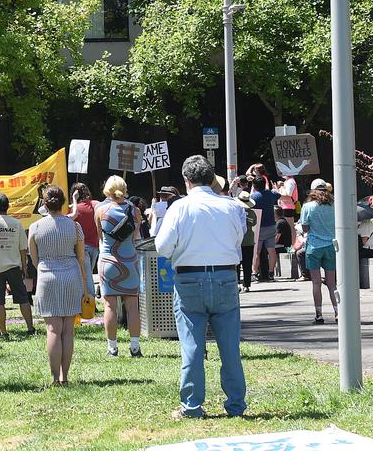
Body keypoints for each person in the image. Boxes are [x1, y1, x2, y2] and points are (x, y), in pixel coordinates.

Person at [155, 155, 248, 420]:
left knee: (192, 345)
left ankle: (192, 405)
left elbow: (162, 247)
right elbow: (238, 238)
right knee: (230, 346)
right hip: (225, 277)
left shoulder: (179, 208)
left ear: (186, 181)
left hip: (189, 279)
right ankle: (236, 404)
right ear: (212, 178)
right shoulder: (232, 206)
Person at [28, 185, 89, 385]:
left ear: (44, 204)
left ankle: (55, 378)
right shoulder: (74, 226)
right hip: (71, 276)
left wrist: (46, 267)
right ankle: (65, 376)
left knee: (53, 330)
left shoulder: (36, 227)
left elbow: (34, 259)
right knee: (67, 330)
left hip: (47, 277)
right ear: (64, 202)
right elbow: (81, 258)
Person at [97, 175, 143, 357]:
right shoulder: (135, 211)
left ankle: (112, 347)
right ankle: (135, 347)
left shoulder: (100, 210)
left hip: (108, 260)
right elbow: (134, 238)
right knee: (132, 306)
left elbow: (100, 237)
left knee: (110, 306)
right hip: (130, 261)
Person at [0, 193, 35, 339]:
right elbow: (23, 248)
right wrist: (25, 266)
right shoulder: (16, 223)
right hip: (14, 266)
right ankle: (30, 328)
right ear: (8, 206)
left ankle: (3, 332)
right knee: (23, 298)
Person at [298, 180, 338, 324]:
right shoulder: (334, 206)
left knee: (316, 283)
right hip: (331, 246)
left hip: (314, 246)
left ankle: (319, 314)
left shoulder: (308, 206)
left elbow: (305, 228)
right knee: (332, 283)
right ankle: (337, 312)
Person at [69, 183, 101, 297]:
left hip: (81, 247)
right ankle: (89, 298)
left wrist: (73, 200)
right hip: (95, 246)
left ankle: (90, 300)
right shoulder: (95, 205)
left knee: (86, 275)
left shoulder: (72, 209)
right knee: (89, 274)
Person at [249, 177, 279, 282]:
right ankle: (271, 273)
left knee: (256, 251)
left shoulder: (253, 197)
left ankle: (255, 272)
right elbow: (277, 194)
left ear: (254, 186)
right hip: (271, 225)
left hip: (258, 227)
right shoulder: (271, 194)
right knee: (271, 251)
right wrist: (273, 188)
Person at [235, 192, 257, 292]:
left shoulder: (235, 211)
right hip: (249, 240)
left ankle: (237, 283)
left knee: (237, 263)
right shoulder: (252, 213)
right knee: (247, 264)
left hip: (238, 241)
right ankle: (247, 285)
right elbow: (254, 223)